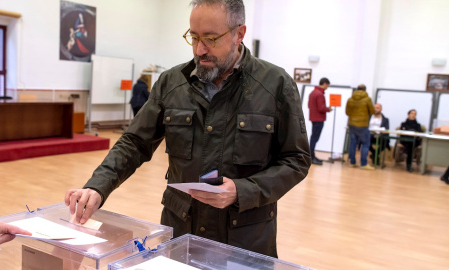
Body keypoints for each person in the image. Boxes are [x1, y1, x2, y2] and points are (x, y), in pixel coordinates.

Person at [64, 0, 311, 258]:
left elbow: (297, 160)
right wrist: (97, 186)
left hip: (245, 240)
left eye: (211, 39)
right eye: (193, 37)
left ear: (239, 33)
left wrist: (242, 190)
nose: (200, 49)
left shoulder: (276, 85)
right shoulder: (172, 83)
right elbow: (135, 142)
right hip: (181, 232)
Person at [345, 84, 375, 170]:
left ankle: (352, 162)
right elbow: (372, 111)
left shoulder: (350, 99)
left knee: (353, 143)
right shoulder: (367, 99)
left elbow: (347, 112)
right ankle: (364, 163)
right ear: (365, 90)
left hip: (352, 124)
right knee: (365, 144)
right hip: (363, 125)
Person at [308, 77, 332, 165]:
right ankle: (311, 157)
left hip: (313, 118)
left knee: (313, 137)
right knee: (315, 138)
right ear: (325, 83)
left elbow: (309, 105)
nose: (327, 87)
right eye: (327, 85)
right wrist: (328, 109)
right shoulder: (319, 94)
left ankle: (312, 156)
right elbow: (321, 108)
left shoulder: (312, 93)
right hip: (319, 119)